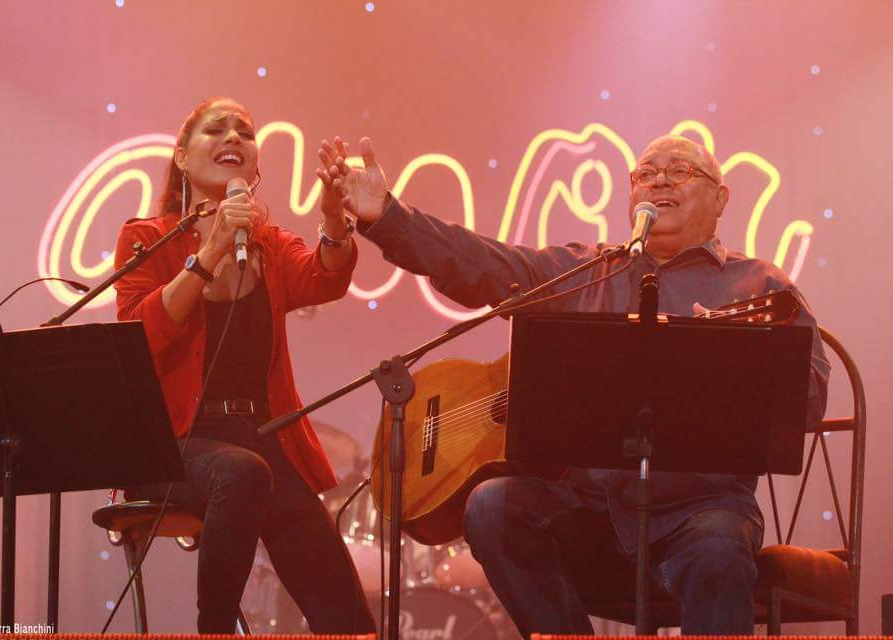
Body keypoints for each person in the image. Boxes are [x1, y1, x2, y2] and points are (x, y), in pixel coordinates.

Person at [318, 134, 830, 637]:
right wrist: (385, 215)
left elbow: (805, 400)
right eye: (646, 174)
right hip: (588, 509)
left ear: (720, 199)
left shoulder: (762, 285)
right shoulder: (589, 271)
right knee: (494, 506)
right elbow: (480, 262)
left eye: (679, 171)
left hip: (697, 511)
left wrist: (731, 367)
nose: (659, 183)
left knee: (718, 548)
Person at [113, 97, 374, 634]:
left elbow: (324, 278)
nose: (234, 137)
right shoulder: (145, 238)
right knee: (242, 471)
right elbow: (137, 337)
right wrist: (205, 256)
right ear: (182, 158)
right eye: (217, 129)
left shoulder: (269, 245)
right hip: (173, 444)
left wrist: (333, 219)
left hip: (264, 439)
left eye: (246, 133)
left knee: (344, 615)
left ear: (254, 168)